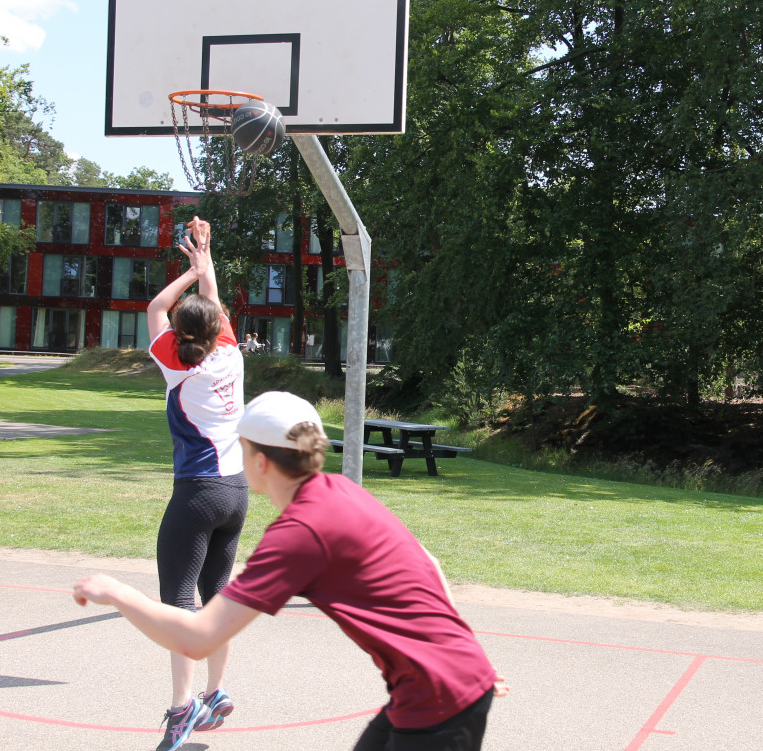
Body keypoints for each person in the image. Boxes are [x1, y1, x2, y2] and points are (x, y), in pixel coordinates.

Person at [74, 390, 508, 751]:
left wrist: (117, 592)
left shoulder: (300, 532)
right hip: (443, 683)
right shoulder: (338, 489)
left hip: (438, 698)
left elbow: (198, 637)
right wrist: (465, 655)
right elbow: (428, 562)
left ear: (260, 462)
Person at [144, 216, 248, 751]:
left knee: (177, 598)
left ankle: (182, 708)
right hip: (237, 493)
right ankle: (217, 691)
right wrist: (205, 261)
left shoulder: (177, 363)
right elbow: (212, 307)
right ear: (216, 329)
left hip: (198, 492)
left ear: (182, 334)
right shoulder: (229, 354)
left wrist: (189, 271)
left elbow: (154, 309)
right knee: (217, 594)